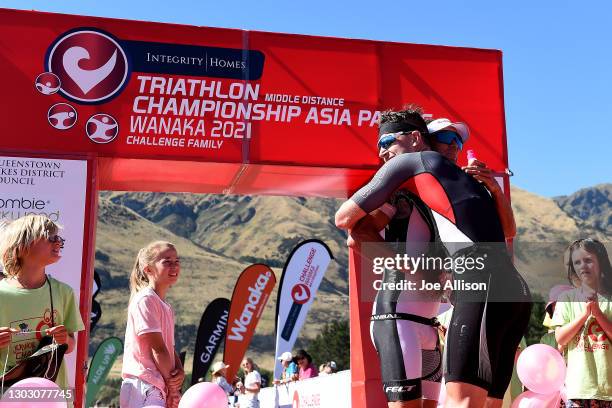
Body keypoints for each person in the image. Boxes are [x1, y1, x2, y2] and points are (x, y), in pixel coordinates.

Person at [335, 107, 532, 408]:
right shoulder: (405, 188)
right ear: (422, 139)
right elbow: (354, 232)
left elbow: (509, 231)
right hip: (398, 312)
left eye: (457, 140)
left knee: (475, 402)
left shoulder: (458, 186)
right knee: (465, 402)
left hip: (446, 309)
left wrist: (492, 185)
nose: (452, 146)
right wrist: (405, 264)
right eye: (443, 137)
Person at [0, 215, 84, 395]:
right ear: (22, 246)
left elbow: (70, 346)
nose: (58, 243)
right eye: (50, 237)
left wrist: (64, 340)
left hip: (50, 395)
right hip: (8, 395)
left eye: (59, 239)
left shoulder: (64, 292)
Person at [120, 241, 184, 408]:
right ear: (148, 269)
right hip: (143, 386)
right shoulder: (146, 300)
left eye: (177, 261)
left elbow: (168, 348)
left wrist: (180, 371)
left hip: (156, 386)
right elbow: (158, 350)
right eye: (167, 262)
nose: (174, 266)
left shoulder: (166, 307)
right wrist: (173, 387)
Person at [552, 238, 612, 407]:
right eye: (577, 262)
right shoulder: (566, 299)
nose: (583, 266)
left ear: (601, 263)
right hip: (577, 389)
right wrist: (584, 314)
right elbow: (560, 338)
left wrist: (598, 314)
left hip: (608, 391)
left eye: (588, 260)